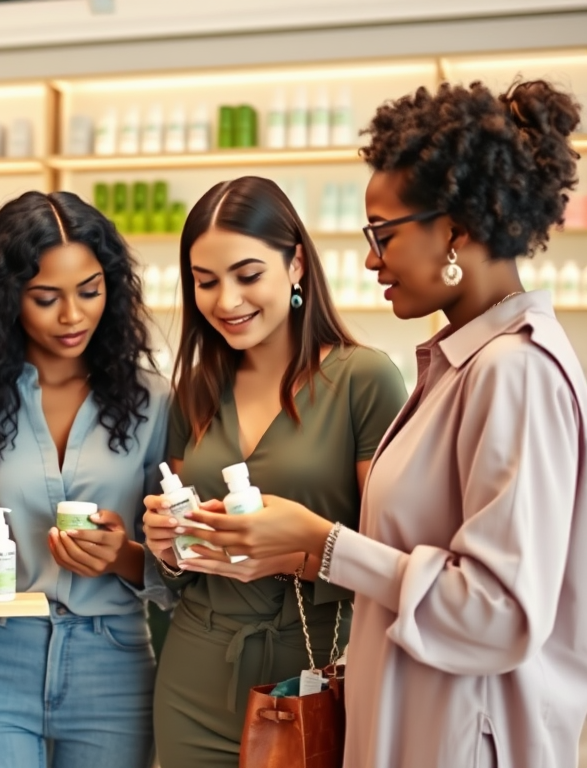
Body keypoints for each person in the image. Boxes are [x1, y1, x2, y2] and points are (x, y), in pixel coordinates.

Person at [179, 80, 587, 768]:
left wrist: (327, 543)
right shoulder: (463, 362)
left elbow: (497, 613)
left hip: (460, 739)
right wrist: (295, 550)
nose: (371, 259)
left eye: (384, 234)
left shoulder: (514, 372)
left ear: (455, 229)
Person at [141, 175, 409, 768]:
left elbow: (393, 558)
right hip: (195, 671)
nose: (226, 301)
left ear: (295, 266)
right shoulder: (196, 390)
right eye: (205, 282)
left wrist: (293, 553)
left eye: (247, 275)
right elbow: (185, 568)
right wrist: (166, 544)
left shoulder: (364, 380)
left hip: (313, 668)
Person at [0, 190, 172, 768]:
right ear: (7, 300)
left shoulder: (153, 400)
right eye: (46, 298)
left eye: (90, 291)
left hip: (115, 663)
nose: (73, 316)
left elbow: (178, 562)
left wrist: (122, 555)